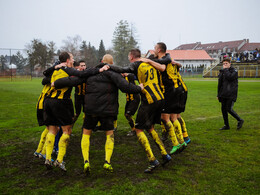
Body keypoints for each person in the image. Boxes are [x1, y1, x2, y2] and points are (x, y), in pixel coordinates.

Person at [53, 54, 143, 174]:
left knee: (86, 133)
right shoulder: (113, 74)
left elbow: (74, 80)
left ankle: (86, 161)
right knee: (109, 134)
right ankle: (107, 161)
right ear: (111, 64)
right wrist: (139, 88)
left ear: (101, 61)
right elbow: (126, 87)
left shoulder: (91, 72)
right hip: (108, 110)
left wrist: (56, 83)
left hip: (91, 109)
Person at [43, 52, 109, 171]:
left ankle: (47, 158)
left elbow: (46, 77)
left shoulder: (55, 69)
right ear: (68, 60)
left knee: (52, 130)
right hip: (61, 102)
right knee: (67, 131)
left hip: (48, 102)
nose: (74, 61)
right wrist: (99, 70)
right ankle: (59, 160)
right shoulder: (67, 68)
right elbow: (82, 74)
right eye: (72, 58)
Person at [109, 49, 171, 173]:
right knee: (150, 128)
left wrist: (107, 66)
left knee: (138, 129)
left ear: (131, 56)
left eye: (128, 56)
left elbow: (122, 69)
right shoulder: (150, 63)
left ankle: (152, 160)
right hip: (160, 98)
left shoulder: (135, 64)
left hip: (149, 100)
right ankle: (164, 154)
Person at [141, 42, 188, 154]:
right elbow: (175, 66)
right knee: (173, 117)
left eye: (155, 48)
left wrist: (147, 61)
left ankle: (176, 143)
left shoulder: (165, 60)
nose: (154, 50)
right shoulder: (169, 59)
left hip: (169, 91)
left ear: (159, 50)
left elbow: (162, 67)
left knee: (165, 118)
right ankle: (182, 141)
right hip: (177, 90)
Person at [217, 57, 244, 130]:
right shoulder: (222, 71)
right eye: (223, 64)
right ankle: (226, 125)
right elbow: (220, 84)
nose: (225, 65)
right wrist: (218, 94)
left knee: (228, 108)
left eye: (226, 63)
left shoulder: (234, 71)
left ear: (230, 64)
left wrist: (225, 70)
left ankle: (240, 120)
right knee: (223, 109)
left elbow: (230, 77)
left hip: (231, 93)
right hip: (223, 94)